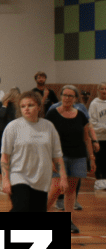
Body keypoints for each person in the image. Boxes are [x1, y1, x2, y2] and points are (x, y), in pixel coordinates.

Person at [1, 91, 67, 212]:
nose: (26, 109)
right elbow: (5, 157)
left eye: (30, 105)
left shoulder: (48, 127)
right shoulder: (12, 127)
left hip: (42, 179)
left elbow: (57, 156)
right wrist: (5, 180)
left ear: (39, 107)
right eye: (23, 106)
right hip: (19, 176)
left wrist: (63, 177)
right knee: (22, 208)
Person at [46, 85, 95, 233]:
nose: (67, 98)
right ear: (61, 96)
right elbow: (47, 138)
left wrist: (91, 157)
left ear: (75, 99)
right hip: (59, 157)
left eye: (70, 96)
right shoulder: (53, 114)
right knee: (56, 188)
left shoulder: (80, 115)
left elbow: (86, 138)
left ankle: (69, 220)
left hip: (78, 156)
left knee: (71, 189)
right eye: (65, 95)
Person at [89, 83, 106, 185]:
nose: (104, 91)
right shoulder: (94, 104)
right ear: (98, 90)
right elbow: (92, 123)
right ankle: (100, 184)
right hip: (99, 139)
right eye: (102, 89)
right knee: (99, 163)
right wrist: (104, 128)